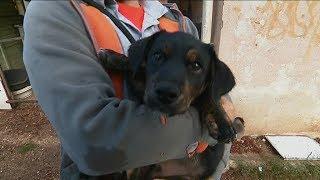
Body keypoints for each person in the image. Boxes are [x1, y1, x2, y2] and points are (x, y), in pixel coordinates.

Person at [23, 0, 239, 179]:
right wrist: (208, 127)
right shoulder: (54, 11)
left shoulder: (179, 21)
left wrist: (218, 119)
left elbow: (218, 97)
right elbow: (93, 142)